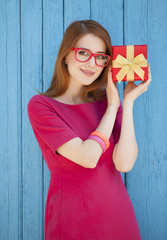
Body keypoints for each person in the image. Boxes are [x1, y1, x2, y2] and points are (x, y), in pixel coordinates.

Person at [27, 20, 151, 240]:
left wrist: (127, 102)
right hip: (72, 219)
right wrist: (112, 107)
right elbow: (88, 156)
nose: (92, 64)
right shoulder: (42, 106)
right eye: (83, 53)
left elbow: (124, 164)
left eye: (101, 56)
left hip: (118, 215)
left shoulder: (107, 102)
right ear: (65, 55)